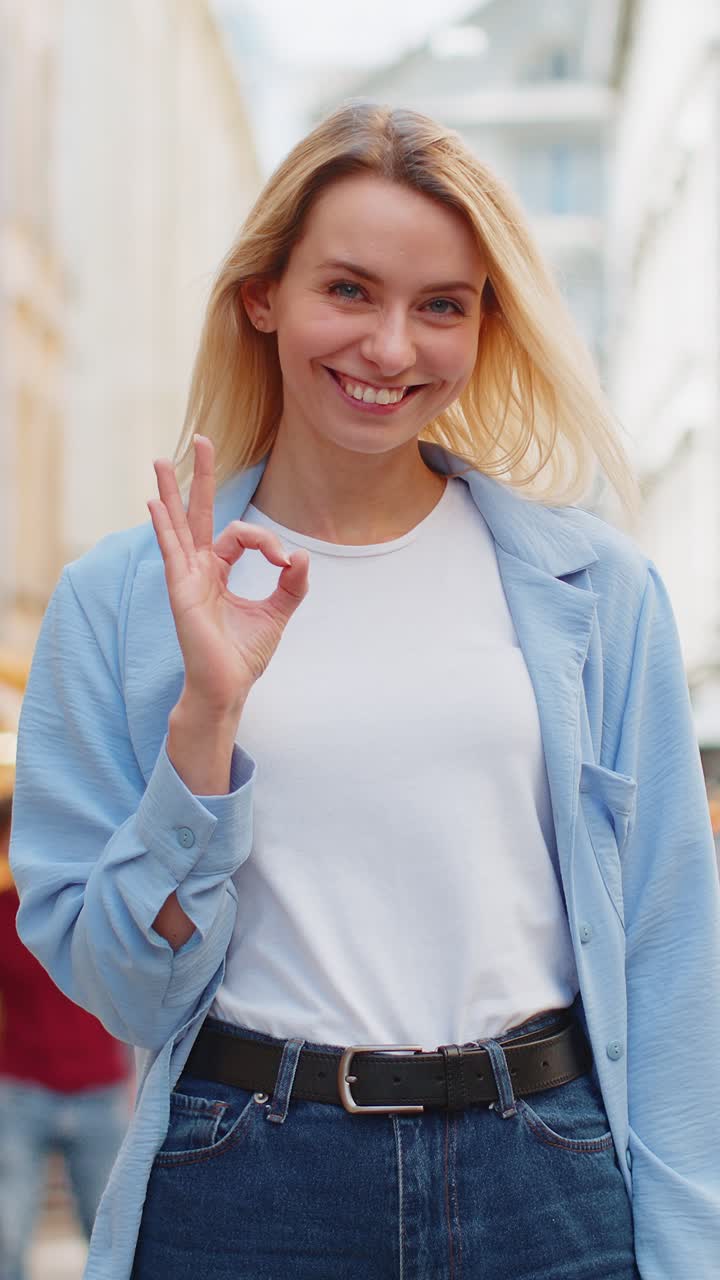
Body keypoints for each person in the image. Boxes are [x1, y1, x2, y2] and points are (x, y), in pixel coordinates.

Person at [9, 102, 720, 1280]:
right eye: (349, 290)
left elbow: (668, 949)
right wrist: (207, 722)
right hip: (245, 1180)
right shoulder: (123, 601)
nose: (391, 346)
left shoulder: (599, 590)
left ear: (486, 327)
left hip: (548, 1174)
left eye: (442, 304)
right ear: (263, 295)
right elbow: (123, 987)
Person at [0, 789, 131, 1279]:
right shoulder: (2, 913)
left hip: (100, 1090)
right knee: (7, 1234)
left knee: (108, 1239)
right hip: (20, 1090)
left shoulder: (100, 905)